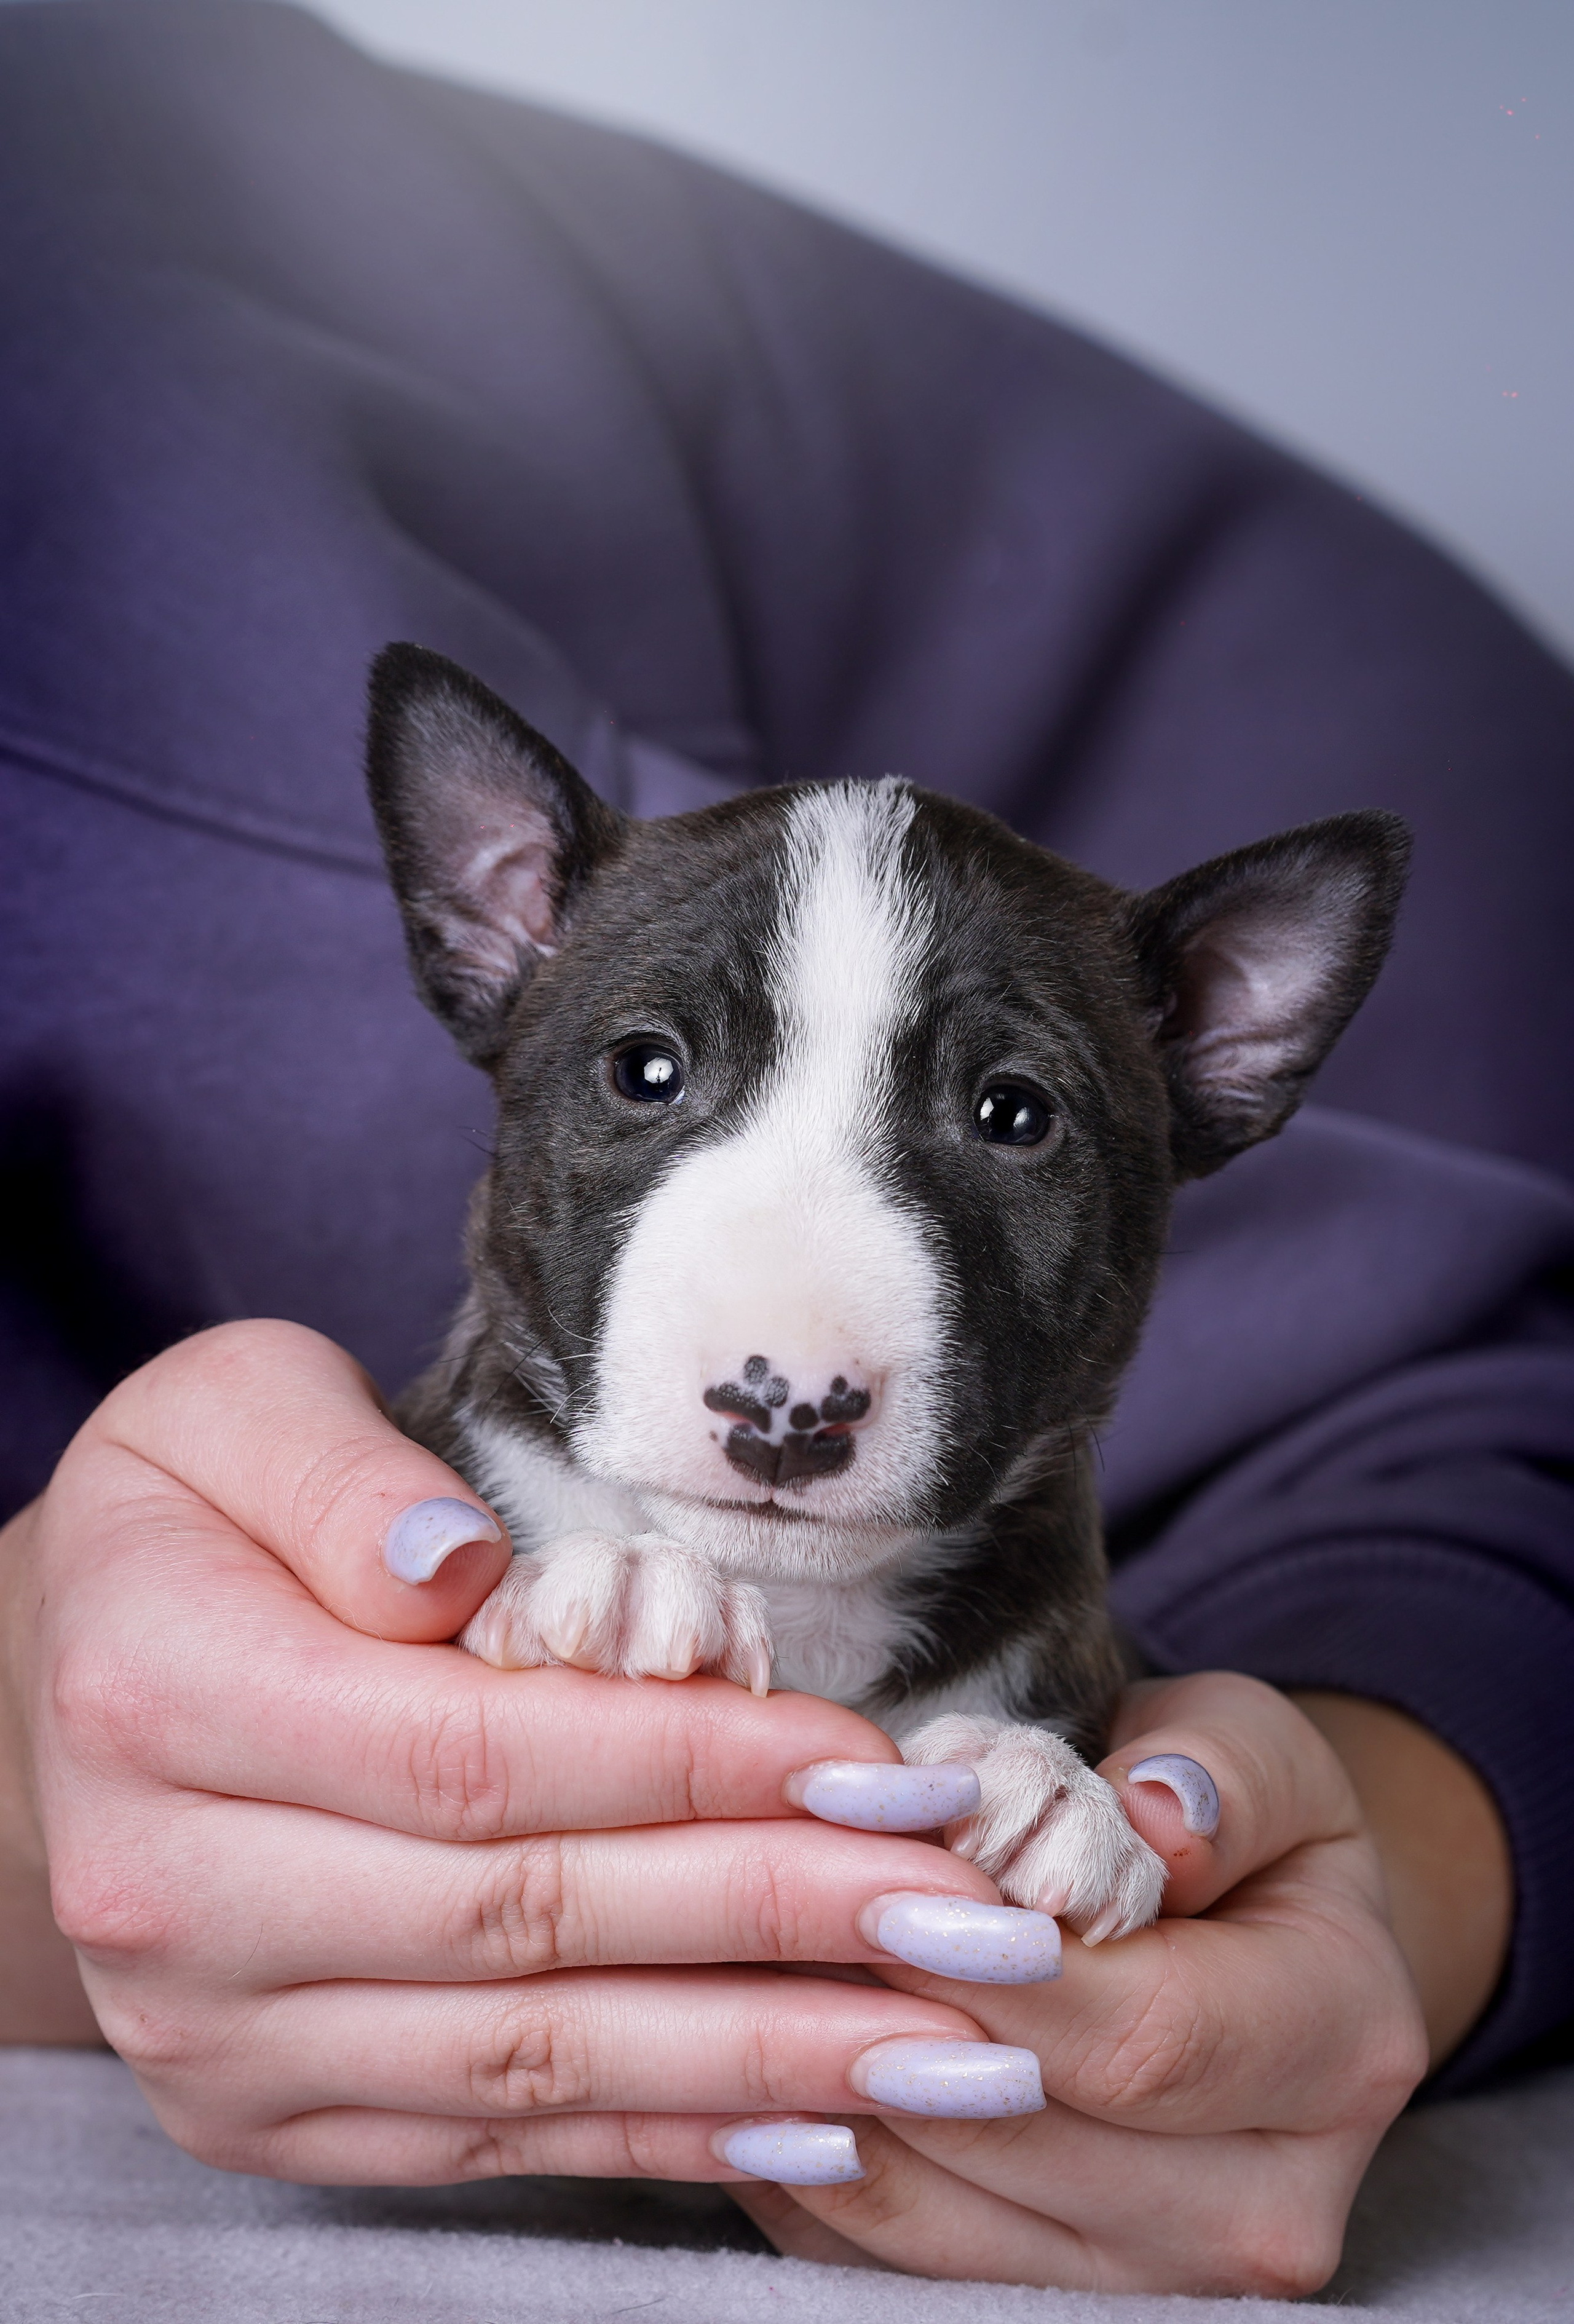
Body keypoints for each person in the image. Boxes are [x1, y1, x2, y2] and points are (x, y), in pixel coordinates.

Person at [1, 0, 1571, 2291]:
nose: (785, 1373)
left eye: (1008, 1115)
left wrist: (1383, 1869)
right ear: (486, 916)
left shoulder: (157, 667)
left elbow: (1480, 1401)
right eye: (647, 1077)